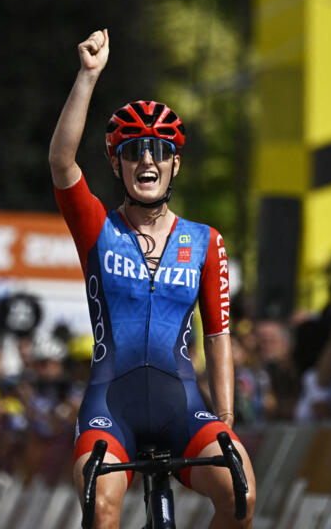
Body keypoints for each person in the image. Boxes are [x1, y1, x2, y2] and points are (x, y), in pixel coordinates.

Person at [49, 29, 256, 528]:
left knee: (240, 492)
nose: (148, 160)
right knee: (100, 506)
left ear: (175, 164)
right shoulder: (97, 229)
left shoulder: (206, 241)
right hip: (110, 405)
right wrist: (88, 75)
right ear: (117, 163)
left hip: (181, 405)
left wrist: (225, 420)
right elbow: (60, 161)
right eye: (135, 149)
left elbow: (218, 332)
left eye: (160, 150)